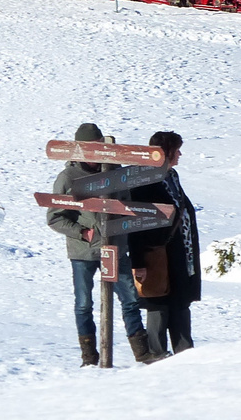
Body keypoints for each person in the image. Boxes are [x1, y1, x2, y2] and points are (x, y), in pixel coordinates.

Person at [47, 122, 159, 366]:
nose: (94, 151)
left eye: (97, 146)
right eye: (89, 146)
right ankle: (89, 358)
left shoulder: (115, 173)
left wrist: (122, 229)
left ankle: (142, 353)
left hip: (115, 248)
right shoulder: (68, 177)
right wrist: (82, 232)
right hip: (83, 252)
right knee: (83, 304)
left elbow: (128, 209)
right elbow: (54, 217)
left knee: (129, 300)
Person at [129, 129, 200, 355]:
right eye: (176, 150)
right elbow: (135, 224)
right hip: (155, 254)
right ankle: (157, 356)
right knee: (157, 304)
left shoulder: (171, 176)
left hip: (180, 253)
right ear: (165, 152)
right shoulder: (144, 180)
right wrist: (138, 261)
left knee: (180, 303)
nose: (179, 154)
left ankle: (184, 353)